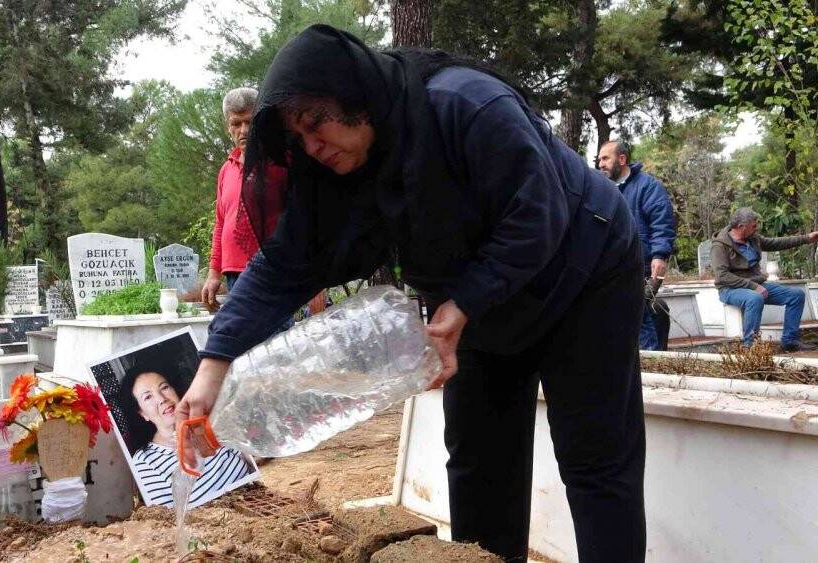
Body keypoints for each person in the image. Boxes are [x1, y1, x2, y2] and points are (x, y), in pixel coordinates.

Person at [177, 25, 647, 562]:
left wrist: (463, 302)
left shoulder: (466, 105)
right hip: (479, 297)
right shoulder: (341, 169)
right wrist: (214, 363)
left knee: (594, 457)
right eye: (299, 138)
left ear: (354, 96)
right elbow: (284, 263)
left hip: (583, 267)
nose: (312, 146)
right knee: (478, 457)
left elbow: (536, 214)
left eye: (315, 124)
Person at [120, 370, 254, 508]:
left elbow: (253, 460)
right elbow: (169, 520)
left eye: (164, 387)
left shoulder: (209, 420)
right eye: (148, 397)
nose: (162, 399)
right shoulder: (144, 462)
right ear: (142, 413)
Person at [597, 139, 676, 351]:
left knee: (639, 311)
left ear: (622, 159)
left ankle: (648, 362)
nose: (600, 164)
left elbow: (662, 222)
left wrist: (660, 256)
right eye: (598, 160)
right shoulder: (599, 189)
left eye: (605, 158)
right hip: (606, 269)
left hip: (639, 266)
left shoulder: (648, 186)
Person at [711, 208, 818, 351]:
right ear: (741, 226)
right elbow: (722, 276)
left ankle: (790, 341)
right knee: (754, 298)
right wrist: (753, 286)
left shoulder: (753, 239)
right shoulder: (720, 245)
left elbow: (776, 243)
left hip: (756, 284)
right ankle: (751, 346)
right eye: (753, 226)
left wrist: (807, 238)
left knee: (796, 295)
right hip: (730, 289)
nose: (756, 228)